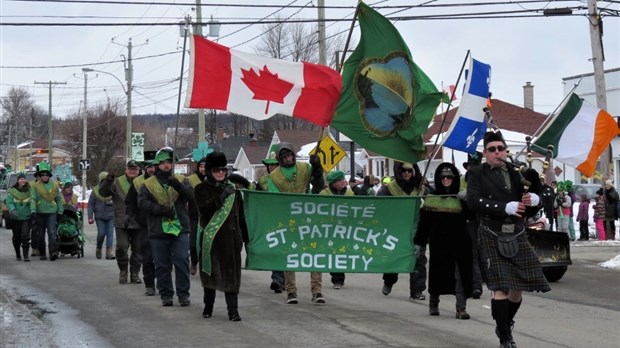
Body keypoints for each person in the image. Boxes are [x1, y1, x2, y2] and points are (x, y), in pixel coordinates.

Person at [467, 131, 550, 348]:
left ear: (506, 151)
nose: (497, 153)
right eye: (492, 149)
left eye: (501, 149)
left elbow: (536, 201)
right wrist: (503, 207)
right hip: (491, 231)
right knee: (501, 288)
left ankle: (504, 322)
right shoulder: (477, 173)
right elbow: (473, 201)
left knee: (517, 288)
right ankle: (505, 338)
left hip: (517, 232)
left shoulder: (517, 172)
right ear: (485, 153)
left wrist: (535, 199)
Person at [265, 142, 325, 305]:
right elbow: (275, 199)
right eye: (284, 157)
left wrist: (317, 168)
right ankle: (291, 291)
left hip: (308, 217)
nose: (288, 159)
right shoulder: (274, 177)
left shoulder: (305, 168)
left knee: (314, 253)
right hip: (288, 218)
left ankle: (317, 290)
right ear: (279, 158)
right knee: (289, 255)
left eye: (290, 155)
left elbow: (319, 186)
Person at [194, 151, 249, 321]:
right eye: (217, 170)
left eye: (224, 170)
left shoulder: (234, 192)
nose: (221, 173)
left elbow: (241, 217)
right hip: (212, 239)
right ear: (210, 171)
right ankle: (208, 306)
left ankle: (233, 311)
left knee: (232, 277)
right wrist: (220, 197)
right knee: (210, 275)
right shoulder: (200, 189)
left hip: (232, 241)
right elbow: (204, 211)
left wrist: (246, 238)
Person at [138, 147, 193, 307]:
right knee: (162, 265)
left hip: (180, 228)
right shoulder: (148, 184)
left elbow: (192, 197)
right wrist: (160, 209)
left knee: (182, 260)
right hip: (158, 229)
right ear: (156, 165)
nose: (166, 166)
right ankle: (166, 294)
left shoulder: (182, 180)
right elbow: (142, 203)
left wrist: (178, 186)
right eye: (162, 163)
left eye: (169, 162)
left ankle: (183, 294)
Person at [420, 163, 473, 319]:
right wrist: (419, 242)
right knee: (437, 274)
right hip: (439, 243)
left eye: (449, 177)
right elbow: (424, 225)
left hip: (460, 243)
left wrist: (469, 200)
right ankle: (433, 305)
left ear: (454, 178)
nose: (446, 179)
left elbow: (472, 216)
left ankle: (461, 309)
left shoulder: (460, 197)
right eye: (442, 177)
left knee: (460, 276)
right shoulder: (432, 198)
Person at [378, 162, 428, 301]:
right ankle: (389, 281)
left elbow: (430, 211)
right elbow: (380, 208)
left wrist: (424, 204)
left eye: (409, 171)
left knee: (418, 260)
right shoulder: (388, 189)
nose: (407, 173)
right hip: (396, 230)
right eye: (404, 170)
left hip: (416, 230)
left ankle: (417, 291)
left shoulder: (422, 189)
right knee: (394, 258)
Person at [100, 160, 143, 284]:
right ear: (126, 170)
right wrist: (108, 180)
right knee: (122, 247)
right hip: (121, 221)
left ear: (139, 170)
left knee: (138, 249)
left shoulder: (143, 182)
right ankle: (123, 270)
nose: (132, 171)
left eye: (135, 169)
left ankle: (135, 273)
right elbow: (103, 192)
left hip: (139, 221)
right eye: (130, 169)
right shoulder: (117, 182)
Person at [126, 151, 158, 295]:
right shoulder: (138, 182)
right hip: (145, 225)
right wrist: (131, 216)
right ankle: (150, 285)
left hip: (163, 224)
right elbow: (130, 201)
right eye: (148, 166)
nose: (151, 169)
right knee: (147, 256)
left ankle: (164, 285)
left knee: (162, 258)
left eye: (153, 166)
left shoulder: (163, 180)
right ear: (145, 168)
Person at [253, 150, 285, 294]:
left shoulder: (289, 180)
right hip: (271, 219)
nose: (272, 168)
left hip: (287, 219)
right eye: (270, 166)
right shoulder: (263, 182)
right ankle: (277, 278)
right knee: (276, 249)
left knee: (285, 250)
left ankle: (285, 280)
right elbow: (257, 199)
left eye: (275, 165)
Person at [319, 170, 354, 289]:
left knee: (342, 252)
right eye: (340, 180)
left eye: (343, 179)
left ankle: (340, 277)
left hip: (345, 229)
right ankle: (337, 279)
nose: (344, 182)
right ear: (334, 183)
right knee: (333, 253)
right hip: (330, 229)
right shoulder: (324, 194)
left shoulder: (349, 193)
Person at [460, 152, 485, 299]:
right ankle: (475, 286)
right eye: (470, 166)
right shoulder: (462, 180)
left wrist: (470, 196)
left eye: (474, 166)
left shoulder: (485, 180)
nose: (471, 169)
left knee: (485, 254)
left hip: (483, 221)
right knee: (471, 255)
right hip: (467, 221)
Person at [30, 162, 63, 261]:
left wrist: (60, 211)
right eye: (42, 175)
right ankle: (43, 252)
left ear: (49, 175)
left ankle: (53, 252)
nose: (44, 176)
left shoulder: (54, 185)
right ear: (40, 176)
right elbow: (33, 199)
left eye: (46, 174)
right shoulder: (35, 186)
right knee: (40, 234)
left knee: (52, 233)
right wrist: (33, 210)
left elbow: (59, 199)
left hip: (52, 212)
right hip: (40, 213)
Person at [88, 172, 115, 260]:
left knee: (110, 234)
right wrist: (90, 216)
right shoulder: (95, 191)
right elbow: (91, 204)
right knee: (101, 233)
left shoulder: (113, 189)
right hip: (100, 216)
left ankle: (109, 252)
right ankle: (99, 248)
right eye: (103, 181)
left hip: (111, 215)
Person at [6, 172, 33, 261]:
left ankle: (25, 256)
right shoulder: (12, 191)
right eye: (21, 179)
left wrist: (32, 210)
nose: (23, 180)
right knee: (16, 238)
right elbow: (9, 202)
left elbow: (33, 201)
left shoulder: (30, 190)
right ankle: (18, 254)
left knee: (25, 236)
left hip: (26, 217)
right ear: (18, 181)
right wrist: (12, 210)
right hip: (16, 218)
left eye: (24, 179)